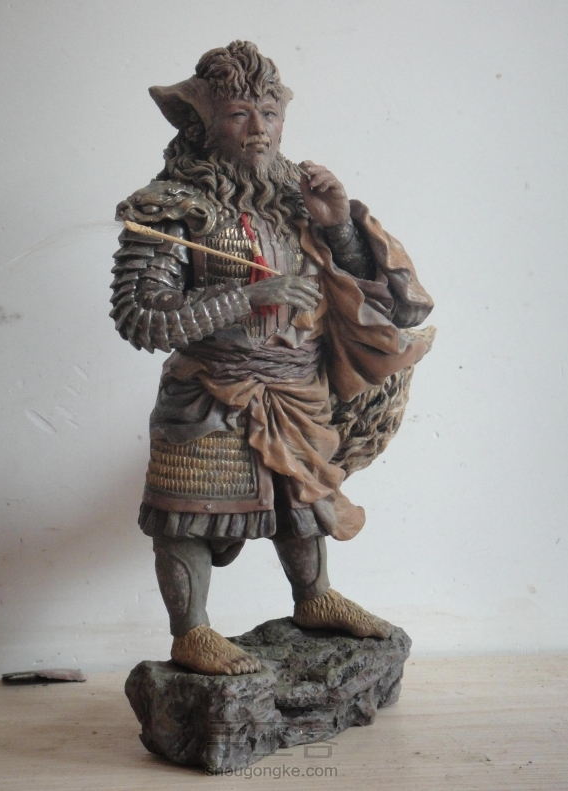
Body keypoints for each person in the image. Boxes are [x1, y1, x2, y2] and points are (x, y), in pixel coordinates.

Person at [111, 41, 433, 675]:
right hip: (211, 389)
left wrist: (339, 227)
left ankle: (315, 598)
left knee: (303, 499)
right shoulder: (173, 205)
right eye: (238, 114)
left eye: (269, 113)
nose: (258, 129)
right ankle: (191, 632)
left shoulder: (297, 196)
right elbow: (141, 314)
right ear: (204, 122)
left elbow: (366, 291)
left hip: (299, 385)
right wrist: (247, 297)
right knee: (188, 513)